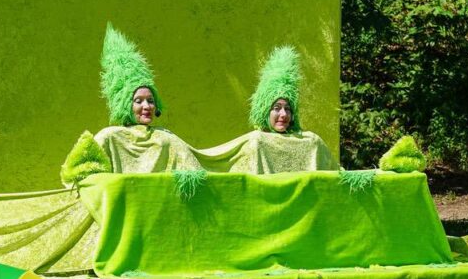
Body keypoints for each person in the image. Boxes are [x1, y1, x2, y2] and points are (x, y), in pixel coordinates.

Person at [198, 46, 338, 173]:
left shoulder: (311, 142)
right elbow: (212, 161)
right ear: (265, 112)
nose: (283, 114)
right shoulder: (256, 141)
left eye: (288, 109)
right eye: (277, 108)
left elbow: (338, 175)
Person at [91, 23, 200, 173]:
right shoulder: (110, 137)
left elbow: (199, 165)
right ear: (125, 106)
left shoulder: (166, 138)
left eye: (150, 101)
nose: (147, 106)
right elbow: (85, 169)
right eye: (138, 101)